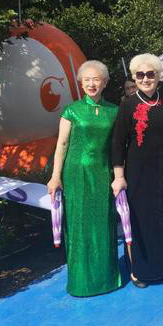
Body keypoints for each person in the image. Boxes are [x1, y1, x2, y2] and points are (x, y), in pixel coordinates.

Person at [47, 60, 121, 297]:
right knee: (79, 224)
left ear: (105, 82)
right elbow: (62, 144)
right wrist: (55, 176)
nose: (91, 84)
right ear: (80, 83)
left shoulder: (114, 110)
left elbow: (118, 145)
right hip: (76, 174)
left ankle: (106, 279)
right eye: (86, 80)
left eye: (96, 79)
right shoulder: (71, 110)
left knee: (104, 222)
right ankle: (81, 283)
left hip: (103, 172)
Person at [111, 53, 163, 288]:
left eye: (150, 74)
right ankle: (139, 269)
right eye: (140, 75)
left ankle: (160, 267)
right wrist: (119, 176)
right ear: (134, 77)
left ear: (158, 76)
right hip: (138, 173)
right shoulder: (128, 105)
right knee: (140, 220)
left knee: (162, 217)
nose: (145, 79)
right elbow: (118, 142)